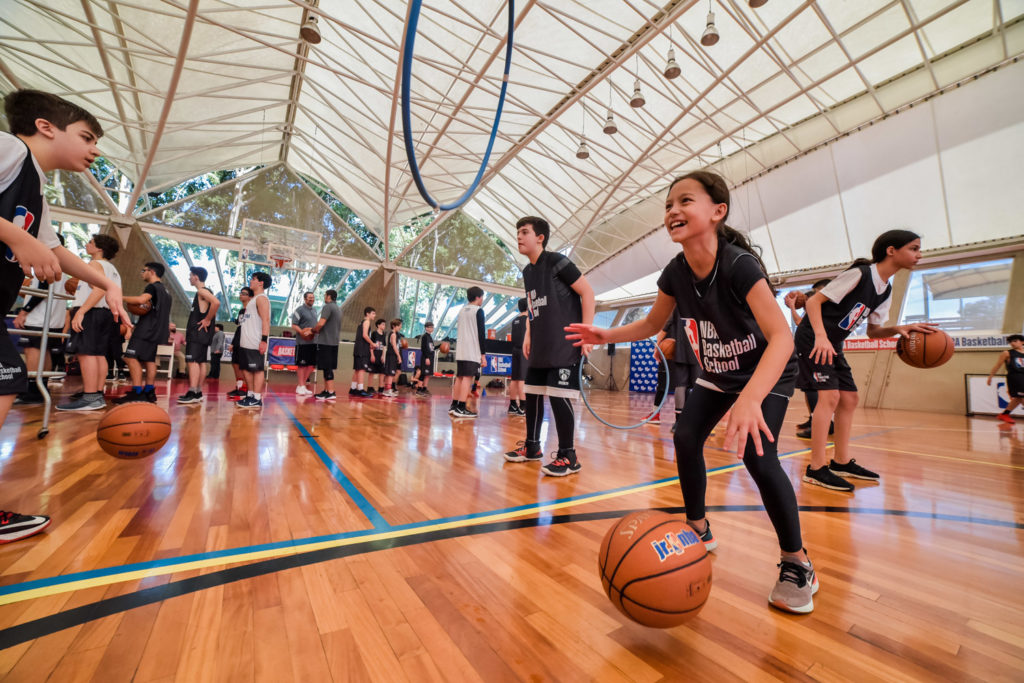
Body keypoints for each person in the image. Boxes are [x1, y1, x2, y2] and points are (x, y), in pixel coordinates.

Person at [568, 171, 818, 613]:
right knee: (685, 438)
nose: (672, 211)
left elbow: (781, 338)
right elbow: (650, 324)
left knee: (759, 456)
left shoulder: (740, 265)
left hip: (767, 374)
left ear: (717, 212)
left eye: (685, 201)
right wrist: (604, 335)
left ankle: (797, 562)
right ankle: (698, 527)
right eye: (667, 205)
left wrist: (750, 399)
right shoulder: (676, 272)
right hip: (720, 373)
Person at [0, 89, 128, 541]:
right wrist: (17, 239)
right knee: (8, 378)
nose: (95, 149)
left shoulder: (36, 187)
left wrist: (107, 283)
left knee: (9, 378)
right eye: (88, 137)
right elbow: (33, 243)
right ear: (45, 127)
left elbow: (52, 247)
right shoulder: (10, 148)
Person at [798, 230, 936, 492]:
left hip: (833, 342)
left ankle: (840, 462)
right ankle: (815, 469)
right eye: (914, 248)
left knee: (849, 399)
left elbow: (873, 332)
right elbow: (814, 302)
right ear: (891, 250)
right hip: (812, 338)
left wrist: (899, 328)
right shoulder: (860, 274)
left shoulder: (885, 290)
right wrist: (819, 336)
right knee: (828, 399)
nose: (919, 254)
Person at [504, 216, 595, 477]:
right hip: (541, 343)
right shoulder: (527, 272)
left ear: (540, 237)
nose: (519, 237)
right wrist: (529, 334)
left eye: (524, 232)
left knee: (559, 397)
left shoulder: (557, 262)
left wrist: (587, 333)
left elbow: (587, 293)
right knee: (531, 394)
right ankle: (532, 447)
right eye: (517, 232)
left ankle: (569, 456)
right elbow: (533, 306)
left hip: (564, 344)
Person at [57, 234, 122, 411]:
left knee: (86, 353)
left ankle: (90, 396)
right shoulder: (113, 269)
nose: (87, 245)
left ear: (99, 248)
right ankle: (97, 394)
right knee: (99, 354)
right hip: (105, 313)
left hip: (91, 312)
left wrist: (81, 312)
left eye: (90, 243)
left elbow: (99, 289)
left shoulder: (94, 264)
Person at [12, 247, 69, 406]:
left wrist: (24, 312)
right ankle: (41, 388)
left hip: (39, 319)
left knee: (33, 351)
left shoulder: (46, 263)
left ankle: (32, 391)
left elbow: (42, 290)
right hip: (53, 320)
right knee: (45, 353)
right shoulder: (61, 267)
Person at [114, 262, 171, 404]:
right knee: (149, 360)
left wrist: (120, 298)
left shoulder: (152, 287)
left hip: (146, 329)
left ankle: (137, 391)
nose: (141, 273)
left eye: (143, 270)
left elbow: (141, 300)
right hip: (159, 330)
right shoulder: (166, 291)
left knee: (130, 358)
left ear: (151, 272)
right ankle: (149, 391)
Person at [785, 279, 831, 437]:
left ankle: (823, 424)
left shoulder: (824, 308)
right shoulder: (817, 307)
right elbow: (803, 322)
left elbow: (799, 322)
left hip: (813, 351)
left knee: (813, 387)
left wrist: (792, 306)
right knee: (808, 387)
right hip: (808, 351)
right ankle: (813, 419)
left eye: (817, 290)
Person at [177, 266, 220, 404]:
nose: (189, 278)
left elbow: (216, 302)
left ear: (196, 277)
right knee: (201, 362)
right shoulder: (205, 292)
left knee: (192, 361)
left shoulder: (202, 291)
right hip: (203, 334)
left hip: (197, 333)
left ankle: (192, 391)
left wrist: (207, 319)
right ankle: (198, 392)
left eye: (190, 275)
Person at [449, 287, 487, 418]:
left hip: (461, 349)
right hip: (472, 349)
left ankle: (454, 405)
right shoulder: (478, 311)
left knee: (459, 377)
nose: (483, 299)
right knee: (467, 378)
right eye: (482, 297)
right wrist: (483, 354)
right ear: (478, 297)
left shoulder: (462, 310)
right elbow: (481, 334)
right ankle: (461, 407)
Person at [235, 272, 271, 409]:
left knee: (257, 369)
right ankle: (250, 395)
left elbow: (266, 320)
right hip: (246, 341)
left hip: (255, 341)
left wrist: (263, 340)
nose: (250, 281)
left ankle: (256, 397)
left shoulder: (262, 299)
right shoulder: (253, 300)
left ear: (261, 283)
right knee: (246, 369)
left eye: (253, 279)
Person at [312, 289, 341, 401]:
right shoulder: (338, 308)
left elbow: (321, 323)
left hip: (326, 342)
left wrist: (313, 330)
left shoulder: (328, 307)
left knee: (327, 367)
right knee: (326, 367)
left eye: (325, 295)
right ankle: (326, 390)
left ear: (328, 296)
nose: (324, 297)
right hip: (334, 342)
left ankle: (331, 392)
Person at [988, 334, 1024, 424]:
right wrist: (990, 376)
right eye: (1011, 342)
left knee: (1019, 398)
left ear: (1022, 342)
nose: (1012, 343)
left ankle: (1005, 414)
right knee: (1020, 397)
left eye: (1015, 341)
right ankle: (1005, 414)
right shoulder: (1007, 353)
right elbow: (997, 365)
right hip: (1015, 377)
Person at [289, 291, 317, 395]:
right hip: (302, 343)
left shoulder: (315, 310)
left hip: (314, 342)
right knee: (302, 365)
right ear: (305, 299)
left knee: (310, 366)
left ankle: (302, 385)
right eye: (310, 297)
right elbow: (293, 325)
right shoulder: (299, 310)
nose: (312, 299)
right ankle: (300, 385)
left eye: (313, 297)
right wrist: (302, 332)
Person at [226, 287, 252, 400]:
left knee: (244, 366)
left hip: (247, 341)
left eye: (244, 294)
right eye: (240, 293)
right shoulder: (242, 311)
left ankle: (246, 389)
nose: (241, 295)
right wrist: (233, 342)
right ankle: (239, 387)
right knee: (235, 364)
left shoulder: (252, 310)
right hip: (238, 340)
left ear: (250, 297)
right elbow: (239, 327)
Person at [506, 298, 528, 416]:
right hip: (524, 350)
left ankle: (513, 405)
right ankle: (523, 406)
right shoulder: (528, 319)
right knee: (522, 379)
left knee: (514, 378)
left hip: (515, 350)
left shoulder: (514, 320)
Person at [349, 306, 375, 397]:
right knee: (361, 370)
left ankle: (353, 388)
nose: (374, 315)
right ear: (367, 313)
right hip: (362, 349)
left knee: (357, 369)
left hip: (358, 348)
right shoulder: (367, 322)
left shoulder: (362, 322)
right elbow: (365, 335)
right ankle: (360, 389)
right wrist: (372, 343)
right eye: (373, 313)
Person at [412, 321, 435, 396]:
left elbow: (432, 348)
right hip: (426, 358)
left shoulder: (430, 337)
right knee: (423, 373)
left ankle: (424, 388)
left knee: (427, 374)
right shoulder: (425, 336)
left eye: (432, 327)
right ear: (426, 328)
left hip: (430, 357)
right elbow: (423, 348)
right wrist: (427, 358)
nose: (432, 328)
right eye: (431, 327)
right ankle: (419, 389)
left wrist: (440, 346)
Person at [382, 318, 403, 397]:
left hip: (391, 355)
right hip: (391, 355)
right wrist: (399, 356)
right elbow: (394, 346)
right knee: (390, 374)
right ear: (394, 326)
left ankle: (386, 389)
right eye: (399, 326)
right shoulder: (393, 334)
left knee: (389, 374)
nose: (400, 327)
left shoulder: (394, 334)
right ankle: (388, 390)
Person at [369, 318, 388, 395]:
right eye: (383, 324)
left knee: (382, 372)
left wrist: (383, 356)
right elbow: (371, 344)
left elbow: (384, 346)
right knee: (372, 372)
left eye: (384, 324)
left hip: (381, 355)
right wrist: (372, 355)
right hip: (375, 353)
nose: (384, 326)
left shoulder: (384, 334)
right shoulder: (374, 333)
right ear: (378, 325)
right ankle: (369, 387)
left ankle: (381, 388)